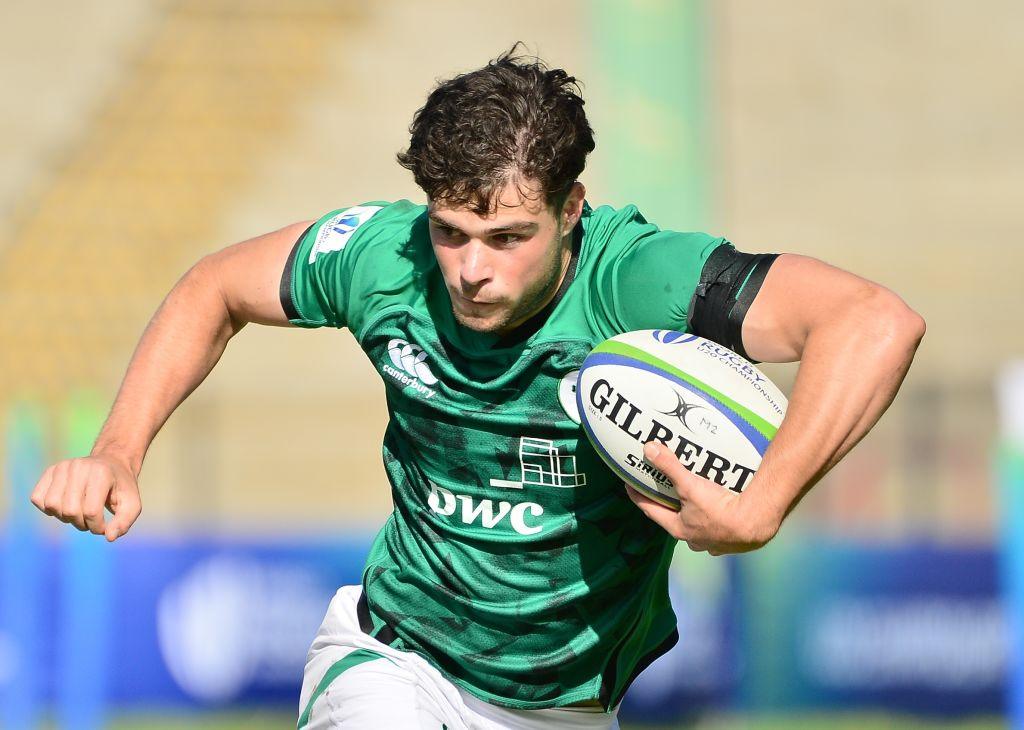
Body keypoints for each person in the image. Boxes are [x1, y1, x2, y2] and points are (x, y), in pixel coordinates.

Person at [29, 48, 925, 729]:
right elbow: (214, 287)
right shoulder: (381, 256)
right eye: (452, 231)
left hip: (566, 703)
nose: (470, 271)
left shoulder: (640, 282)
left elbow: (873, 322)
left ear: (572, 209)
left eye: (506, 238)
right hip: (395, 659)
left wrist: (765, 501)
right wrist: (119, 448)